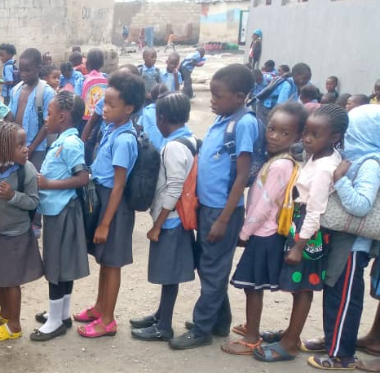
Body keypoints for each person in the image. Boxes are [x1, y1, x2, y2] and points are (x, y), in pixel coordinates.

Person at [170, 65, 260, 350]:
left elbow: (242, 174)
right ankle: (219, 320)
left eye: (218, 96)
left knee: (213, 268)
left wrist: (223, 219)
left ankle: (202, 328)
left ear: (239, 96)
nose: (212, 100)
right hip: (207, 206)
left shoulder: (243, 123)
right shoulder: (224, 119)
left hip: (224, 210)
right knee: (207, 266)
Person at [253, 105, 347, 362]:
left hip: (309, 233)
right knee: (297, 286)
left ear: (335, 137)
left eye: (315, 135)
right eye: (306, 132)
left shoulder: (326, 167)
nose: (307, 139)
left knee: (303, 288)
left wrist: (298, 246)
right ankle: (290, 333)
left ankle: (290, 343)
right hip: (299, 224)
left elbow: (315, 211)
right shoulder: (317, 157)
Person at [220, 102, 308, 356]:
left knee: (253, 286)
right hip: (265, 232)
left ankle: (251, 337)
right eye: (271, 129)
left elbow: (265, 205)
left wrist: (244, 232)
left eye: (284, 133)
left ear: (297, 137)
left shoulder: (281, 165)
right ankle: (252, 327)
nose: (274, 136)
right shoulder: (278, 160)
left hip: (263, 233)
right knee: (254, 285)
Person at [305, 105, 378, 370]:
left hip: (354, 244)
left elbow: (361, 205)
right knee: (334, 290)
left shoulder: (370, 163)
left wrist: (340, 180)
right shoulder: (350, 157)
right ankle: (332, 339)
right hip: (339, 240)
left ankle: (342, 355)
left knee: (345, 296)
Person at [77, 71, 145, 339]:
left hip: (114, 206)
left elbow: (119, 185)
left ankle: (108, 320)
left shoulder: (125, 139)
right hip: (103, 198)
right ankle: (99, 307)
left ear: (129, 108)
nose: (104, 109)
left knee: (112, 262)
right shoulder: (112, 128)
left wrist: (105, 223)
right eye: (104, 103)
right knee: (104, 260)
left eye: (111, 105)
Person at [131, 92, 197, 342]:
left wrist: (158, 225)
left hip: (171, 221)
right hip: (176, 219)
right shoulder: (189, 139)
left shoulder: (173, 147)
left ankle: (164, 326)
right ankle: (161, 315)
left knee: (169, 275)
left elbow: (174, 187)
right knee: (168, 273)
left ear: (161, 118)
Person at [0, 122, 43, 341]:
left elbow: (33, 203)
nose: (26, 149)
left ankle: (14, 325)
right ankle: (5, 312)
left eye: (25, 144)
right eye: (19, 145)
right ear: (2, 149)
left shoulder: (27, 170)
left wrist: (13, 196)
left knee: (11, 281)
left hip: (16, 235)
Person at [32, 92, 90, 341]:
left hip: (63, 211)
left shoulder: (71, 144)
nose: (47, 118)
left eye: (50, 113)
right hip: (57, 210)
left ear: (63, 117)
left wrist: (47, 183)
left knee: (56, 266)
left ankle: (55, 322)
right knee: (62, 265)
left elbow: (83, 178)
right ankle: (62, 314)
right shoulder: (62, 140)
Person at [9, 48, 55, 171]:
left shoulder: (46, 92)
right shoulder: (15, 90)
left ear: (39, 68)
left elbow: (46, 124)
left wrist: (32, 148)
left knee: (33, 180)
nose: (23, 74)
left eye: (27, 70)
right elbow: (10, 118)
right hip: (15, 147)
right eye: (21, 70)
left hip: (36, 149)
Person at [138, 83, 169, 151]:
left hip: (150, 148)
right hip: (166, 147)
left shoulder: (146, 110)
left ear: (151, 95)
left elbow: (139, 126)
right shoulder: (169, 110)